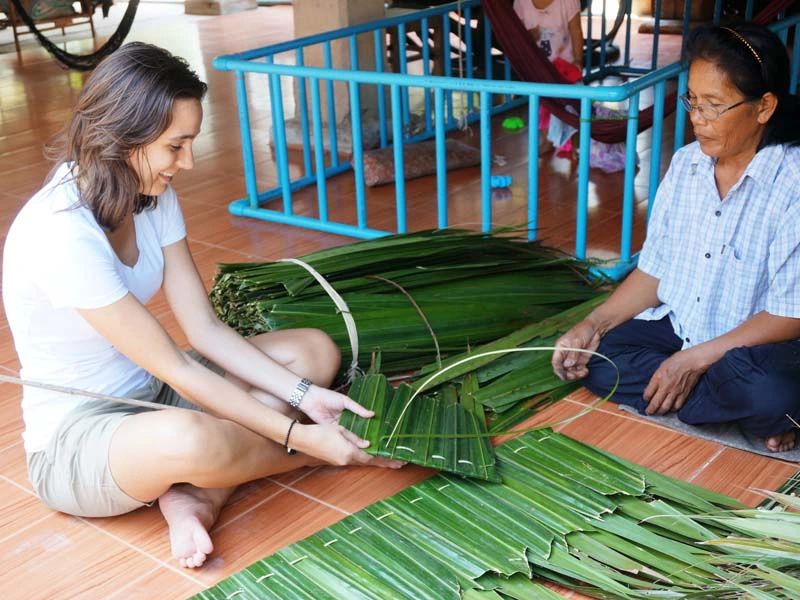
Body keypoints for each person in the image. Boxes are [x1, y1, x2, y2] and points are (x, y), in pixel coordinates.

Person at [2, 42, 404, 570]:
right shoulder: (62, 234)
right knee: (189, 438)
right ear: (123, 138)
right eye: (177, 145)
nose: (187, 162)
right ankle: (310, 456)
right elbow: (172, 362)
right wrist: (304, 440)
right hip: (80, 437)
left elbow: (205, 328)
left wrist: (306, 397)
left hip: (156, 393)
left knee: (310, 351)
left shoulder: (149, 192)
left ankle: (198, 495)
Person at [551, 22, 800, 453]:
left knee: (770, 391)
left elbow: (789, 314)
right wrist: (593, 324)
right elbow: (655, 273)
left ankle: (711, 394)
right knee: (599, 364)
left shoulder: (792, 183)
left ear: (763, 107)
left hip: (759, 345)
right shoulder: (686, 166)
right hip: (685, 326)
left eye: (714, 106)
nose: (697, 120)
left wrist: (693, 360)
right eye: (692, 102)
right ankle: (726, 406)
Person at [513, 0, 583, 155]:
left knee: (571, 106)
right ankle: (547, 140)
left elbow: (576, 31)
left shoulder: (568, 2)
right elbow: (515, 35)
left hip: (564, 66)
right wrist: (530, 35)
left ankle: (573, 143)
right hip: (537, 68)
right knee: (542, 106)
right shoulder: (521, 3)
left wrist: (578, 60)